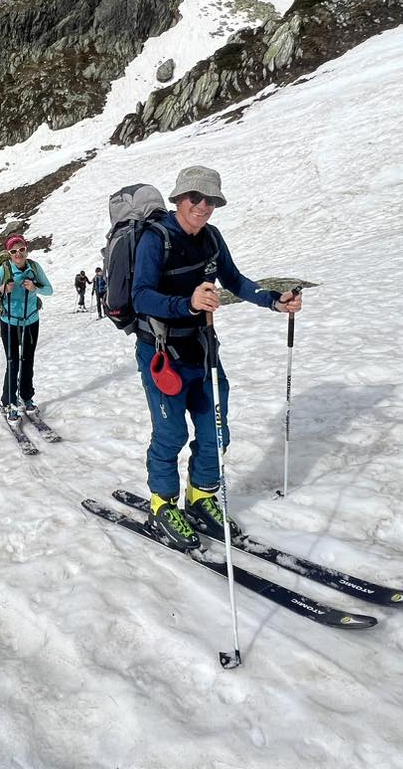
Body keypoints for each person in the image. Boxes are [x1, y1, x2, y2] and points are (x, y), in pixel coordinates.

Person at [131, 166, 302, 550]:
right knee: (171, 432)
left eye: (211, 200)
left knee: (215, 430)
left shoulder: (211, 238)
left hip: (203, 349)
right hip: (162, 354)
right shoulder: (156, 240)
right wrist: (187, 303)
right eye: (196, 198)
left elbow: (235, 281)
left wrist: (274, 300)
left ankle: (202, 498)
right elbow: (140, 296)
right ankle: (162, 506)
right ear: (178, 198)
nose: (203, 206)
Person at [0, 234, 54, 420]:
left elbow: (49, 290)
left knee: (28, 360)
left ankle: (27, 398)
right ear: (9, 254)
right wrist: (1, 289)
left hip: (31, 321)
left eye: (21, 249)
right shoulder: (4, 271)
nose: (18, 254)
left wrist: (35, 287)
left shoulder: (34, 268)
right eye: (14, 251)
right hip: (10, 322)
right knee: (13, 362)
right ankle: (9, 401)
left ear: (26, 250)